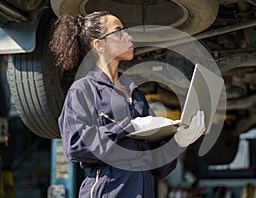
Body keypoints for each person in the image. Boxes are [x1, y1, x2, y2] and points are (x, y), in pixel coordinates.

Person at [49, 11, 206, 198]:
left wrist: (180, 141)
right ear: (99, 45)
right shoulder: (83, 90)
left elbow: (157, 164)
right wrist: (130, 126)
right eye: (119, 32)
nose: (128, 36)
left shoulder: (136, 94)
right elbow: (75, 145)